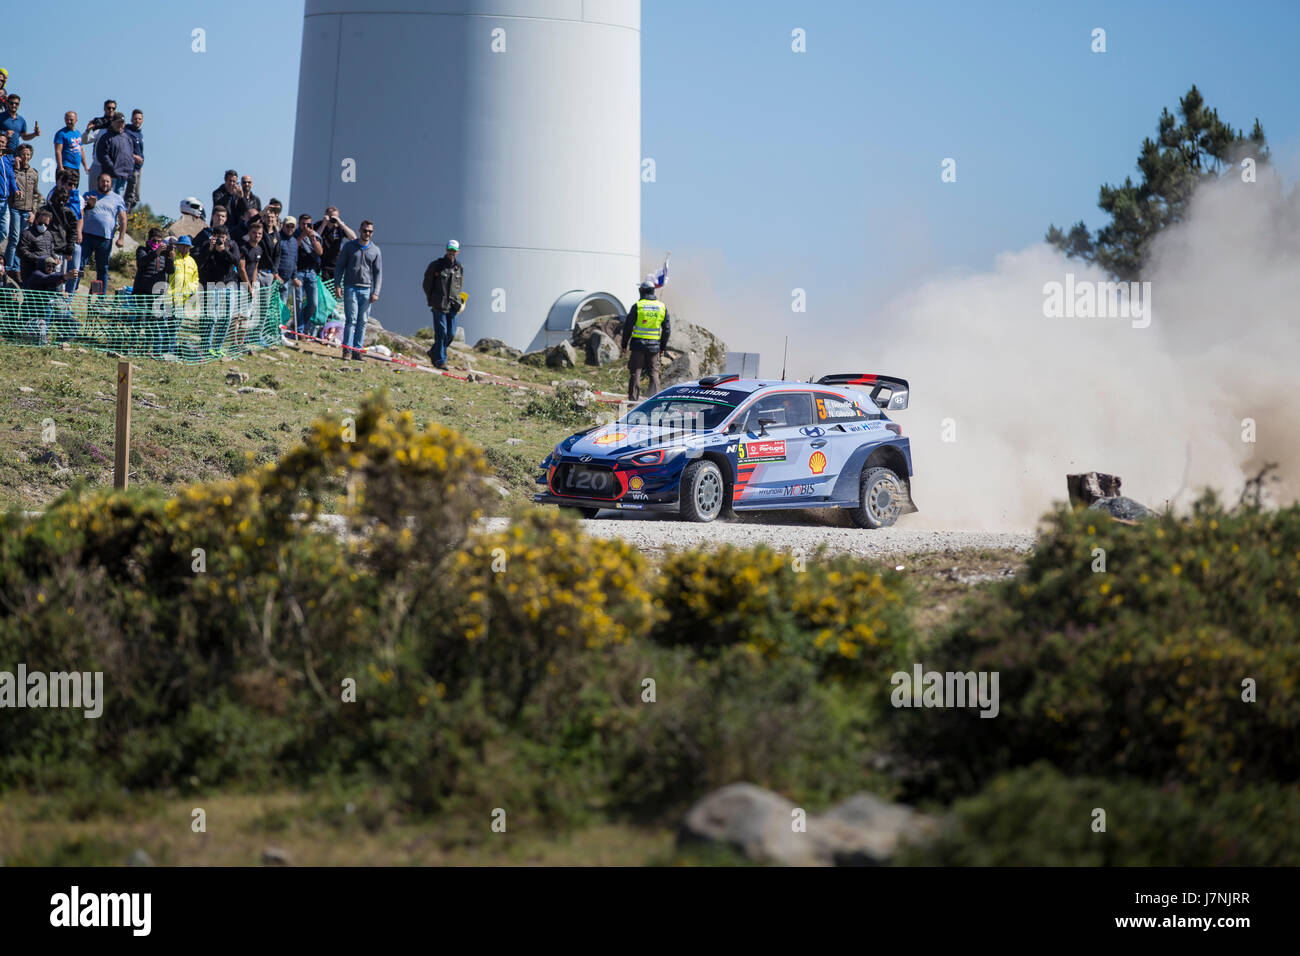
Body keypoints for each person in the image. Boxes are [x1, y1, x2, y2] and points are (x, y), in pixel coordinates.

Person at [336, 220, 381, 360]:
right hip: (350, 287)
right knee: (351, 320)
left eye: (370, 231)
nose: (367, 233)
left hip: (367, 290)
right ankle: (347, 350)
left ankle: (357, 350)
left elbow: (378, 273)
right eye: (365, 230)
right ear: (360, 230)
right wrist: (338, 284)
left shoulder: (375, 250)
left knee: (363, 321)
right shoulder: (349, 247)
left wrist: (376, 292)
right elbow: (340, 266)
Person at [620, 279, 671, 401]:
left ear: (641, 291)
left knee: (635, 372)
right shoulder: (662, 307)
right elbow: (667, 330)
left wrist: (624, 345)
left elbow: (628, 327)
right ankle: (655, 401)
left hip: (638, 346)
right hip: (654, 347)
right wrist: (662, 347)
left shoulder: (638, 306)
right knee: (654, 373)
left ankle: (633, 401)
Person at [197, 224, 239, 356]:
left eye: (223, 237)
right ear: (213, 236)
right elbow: (199, 261)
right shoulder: (207, 244)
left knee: (226, 318)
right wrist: (210, 249)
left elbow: (236, 261)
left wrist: (224, 250)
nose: (220, 240)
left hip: (229, 285)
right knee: (212, 317)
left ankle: (218, 347)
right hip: (212, 285)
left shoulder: (232, 245)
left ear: (226, 237)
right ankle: (206, 346)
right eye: (217, 237)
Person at [80, 172, 127, 290]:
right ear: (98, 182)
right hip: (87, 236)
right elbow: (79, 213)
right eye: (103, 181)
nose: (105, 184)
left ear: (111, 183)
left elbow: (123, 219)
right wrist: (88, 205)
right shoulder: (88, 195)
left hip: (105, 239)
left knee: (102, 269)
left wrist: (121, 238)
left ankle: (99, 300)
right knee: (79, 265)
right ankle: (72, 293)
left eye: (107, 181)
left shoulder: (117, 199)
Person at [421, 239, 463, 370]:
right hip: (439, 305)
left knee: (450, 334)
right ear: (446, 250)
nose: (451, 253)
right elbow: (427, 284)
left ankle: (434, 351)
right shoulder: (436, 265)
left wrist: (459, 301)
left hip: (453, 305)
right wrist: (432, 299)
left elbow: (459, 285)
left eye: (454, 251)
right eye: (450, 250)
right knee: (441, 333)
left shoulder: (459, 267)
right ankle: (440, 361)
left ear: (458, 252)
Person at [6, 144, 38, 273]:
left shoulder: (34, 173)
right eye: (23, 154)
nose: (26, 157)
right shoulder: (12, 170)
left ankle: (18, 267)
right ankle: (8, 266)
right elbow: (10, 183)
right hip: (15, 208)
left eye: (28, 154)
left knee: (23, 241)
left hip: (27, 211)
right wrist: (16, 168)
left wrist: (33, 212)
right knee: (14, 238)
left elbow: (35, 194)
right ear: (18, 155)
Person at [164, 235, 198, 358]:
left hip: (182, 301)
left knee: (175, 327)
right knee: (165, 326)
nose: (185, 249)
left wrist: (191, 290)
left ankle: (171, 351)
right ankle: (162, 350)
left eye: (187, 247)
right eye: (182, 246)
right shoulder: (172, 257)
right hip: (169, 298)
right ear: (177, 246)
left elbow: (195, 279)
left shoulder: (192, 262)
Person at [293, 213, 323, 336]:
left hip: (311, 272)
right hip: (298, 271)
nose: (306, 227)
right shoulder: (295, 234)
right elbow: (294, 246)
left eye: (308, 224)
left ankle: (301, 324)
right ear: (299, 224)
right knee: (298, 302)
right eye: (303, 224)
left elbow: (320, 252)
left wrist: (313, 239)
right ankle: (299, 331)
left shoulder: (315, 235)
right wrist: (302, 235)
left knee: (313, 303)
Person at [94, 113, 135, 196]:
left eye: (122, 122)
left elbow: (130, 155)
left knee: (118, 201)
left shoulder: (127, 138)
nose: (120, 124)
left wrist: (130, 169)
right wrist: (113, 168)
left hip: (124, 176)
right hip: (111, 177)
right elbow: (102, 156)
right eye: (118, 122)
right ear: (112, 122)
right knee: (108, 199)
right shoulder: (106, 137)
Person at [317, 206, 355, 283]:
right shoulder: (319, 225)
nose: (332, 219)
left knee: (336, 291)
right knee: (323, 292)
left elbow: (353, 237)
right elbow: (315, 237)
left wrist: (341, 224)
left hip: (336, 265)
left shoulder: (339, 227)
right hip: (322, 265)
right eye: (331, 216)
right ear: (326, 215)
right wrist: (324, 224)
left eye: (335, 217)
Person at [82, 99, 117, 186]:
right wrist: (87, 131)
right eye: (109, 108)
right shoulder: (100, 130)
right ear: (104, 109)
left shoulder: (119, 132)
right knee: (93, 192)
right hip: (97, 165)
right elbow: (84, 141)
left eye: (113, 108)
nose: (111, 110)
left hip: (111, 166)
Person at [53, 112, 89, 176]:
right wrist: (60, 167)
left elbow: (81, 150)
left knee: (74, 185)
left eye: (71, 120)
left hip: (76, 168)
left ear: (76, 120)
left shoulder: (78, 133)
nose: (69, 122)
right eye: (67, 120)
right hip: (66, 166)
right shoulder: (61, 133)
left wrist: (85, 166)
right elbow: (58, 151)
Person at [123, 110, 144, 212]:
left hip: (138, 168)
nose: (137, 121)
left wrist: (141, 167)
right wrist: (134, 157)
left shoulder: (140, 134)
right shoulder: (127, 131)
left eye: (139, 119)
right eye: (135, 119)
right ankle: (123, 216)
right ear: (131, 119)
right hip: (130, 167)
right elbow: (123, 148)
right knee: (130, 195)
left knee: (136, 197)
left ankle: (128, 215)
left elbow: (141, 151)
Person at [0, 132, 15, 272]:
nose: (1, 145)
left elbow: (10, 177)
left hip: (4, 201)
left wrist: (15, 190)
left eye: (3, 143)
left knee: (5, 231)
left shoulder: (7, 160)